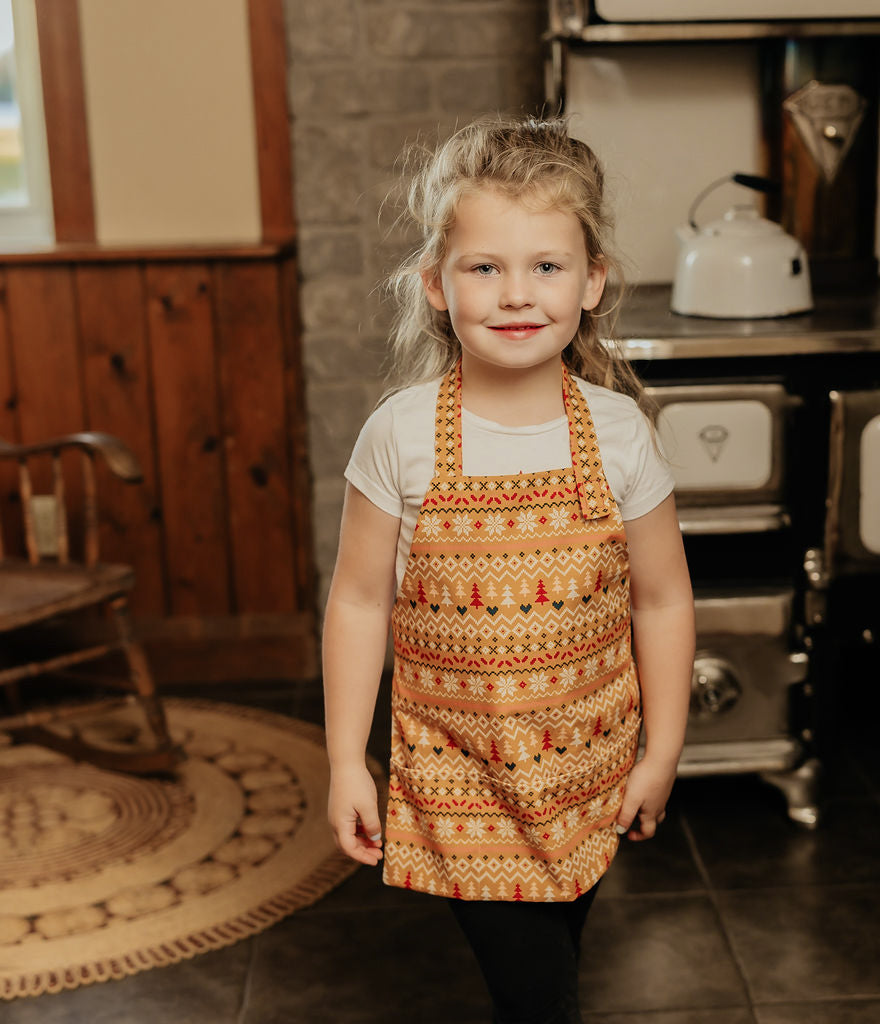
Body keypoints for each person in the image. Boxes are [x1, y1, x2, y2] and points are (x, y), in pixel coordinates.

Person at [322, 114, 696, 1024]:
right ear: (436, 286)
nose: (516, 294)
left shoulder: (618, 433)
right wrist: (344, 760)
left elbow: (662, 596)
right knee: (536, 999)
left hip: (589, 766)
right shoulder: (402, 434)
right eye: (485, 267)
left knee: (556, 959)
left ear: (592, 281)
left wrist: (664, 748)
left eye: (547, 266)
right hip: (463, 779)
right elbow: (360, 600)